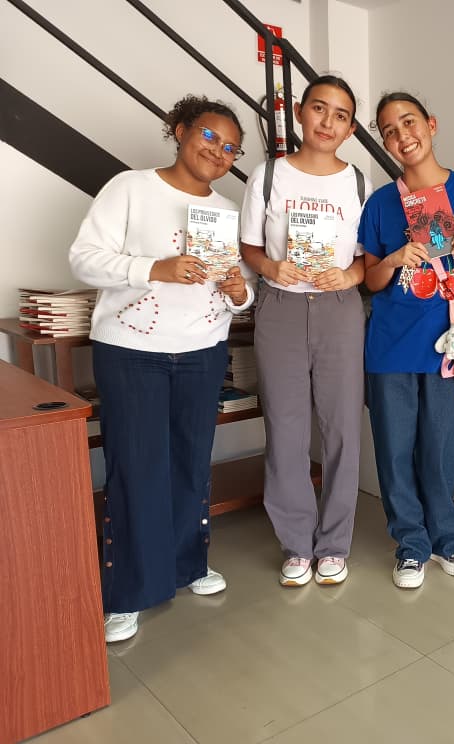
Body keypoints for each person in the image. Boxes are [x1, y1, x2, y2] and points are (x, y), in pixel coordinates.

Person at [69, 95, 253, 642]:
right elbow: (83, 259)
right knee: (135, 468)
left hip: (202, 351)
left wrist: (240, 292)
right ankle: (129, 590)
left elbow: (239, 290)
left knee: (190, 463)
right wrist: (155, 268)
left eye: (231, 148)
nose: (218, 151)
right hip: (132, 352)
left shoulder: (226, 209)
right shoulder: (130, 188)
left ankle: (187, 566)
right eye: (209, 136)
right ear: (180, 130)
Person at [359, 92, 454, 589]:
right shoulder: (380, 203)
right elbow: (370, 279)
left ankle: (447, 539)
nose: (402, 135)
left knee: (444, 446)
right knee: (395, 450)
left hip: (452, 343)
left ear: (431, 124)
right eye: (389, 131)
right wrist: (395, 258)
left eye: (409, 122)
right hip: (392, 345)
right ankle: (411, 546)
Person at [240, 75, 370, 587]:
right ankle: (296, 543)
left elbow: (368, 257)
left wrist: (350, 277)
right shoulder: (269, 175)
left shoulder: (358, 183)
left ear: (351, 129)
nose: (327, 122)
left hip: (339, 309)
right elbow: (249, 247)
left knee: (342, 428)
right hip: (280, 308)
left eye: (340, 115)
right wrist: (270, 268)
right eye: (319, 108)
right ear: (299, 112)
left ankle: (334, 544)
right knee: (286, 427)